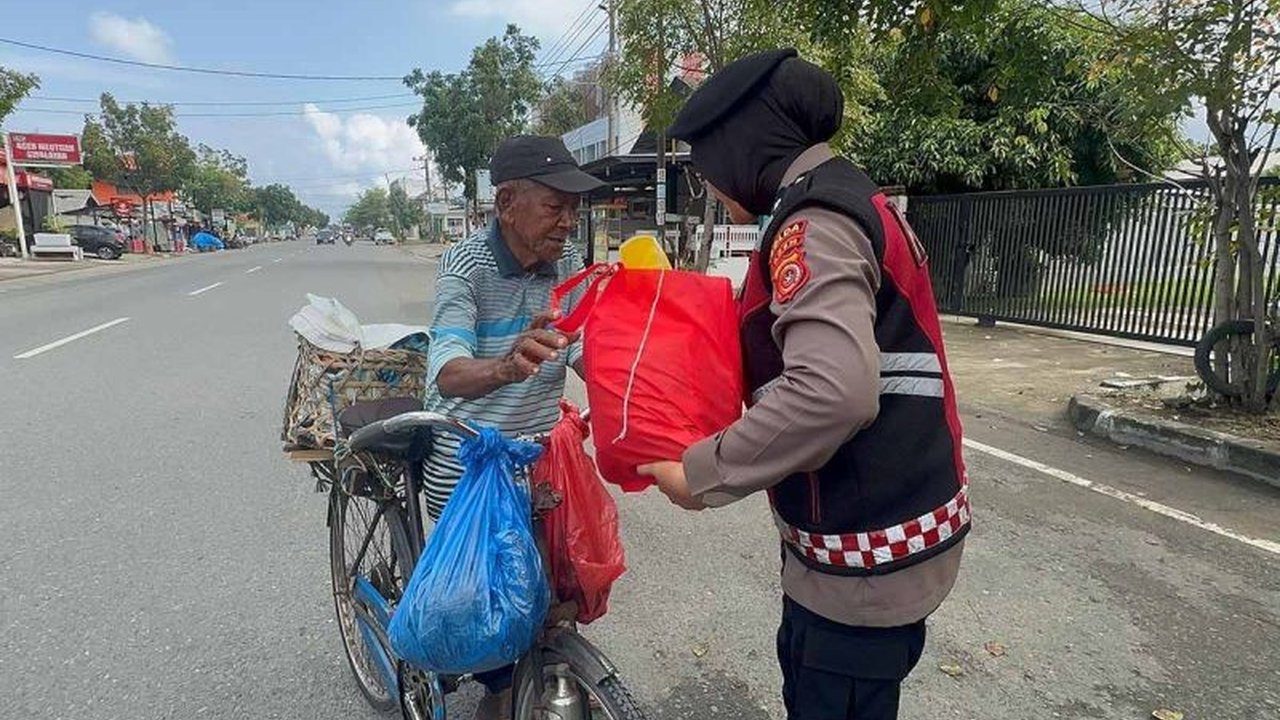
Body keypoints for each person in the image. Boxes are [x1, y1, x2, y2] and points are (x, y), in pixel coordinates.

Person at [637, 49, 970, 720]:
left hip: (863, 565)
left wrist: (697, 476)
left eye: (710, 174)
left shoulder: (811, 224)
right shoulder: (850, 194)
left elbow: (831, 391)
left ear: (742, 147)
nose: (715, 193)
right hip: (885, 537)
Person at [422, 134, 604, 720]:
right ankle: (497, 691)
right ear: (506, 203)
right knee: (496, 651)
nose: (568, 221)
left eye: (574, 208)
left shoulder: (568, 263)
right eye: (555, 206)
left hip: (540, 461)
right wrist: (505, 365)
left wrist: (628, 378)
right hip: (471, 469)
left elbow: (578, 349)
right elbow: (447, 373)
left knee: (555, 602)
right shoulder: (466, 267)